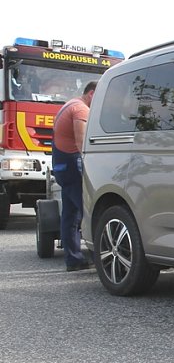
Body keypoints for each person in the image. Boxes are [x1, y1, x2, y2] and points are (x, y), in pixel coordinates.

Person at [52, 81, 97, 271]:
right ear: (92, 94)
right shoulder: (80, 110)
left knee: (70, 215)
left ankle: (74, 260)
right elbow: (81, 143)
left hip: (61, 165)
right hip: (72, 165)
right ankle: (101, 259)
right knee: (90, 212)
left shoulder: (69, 104)